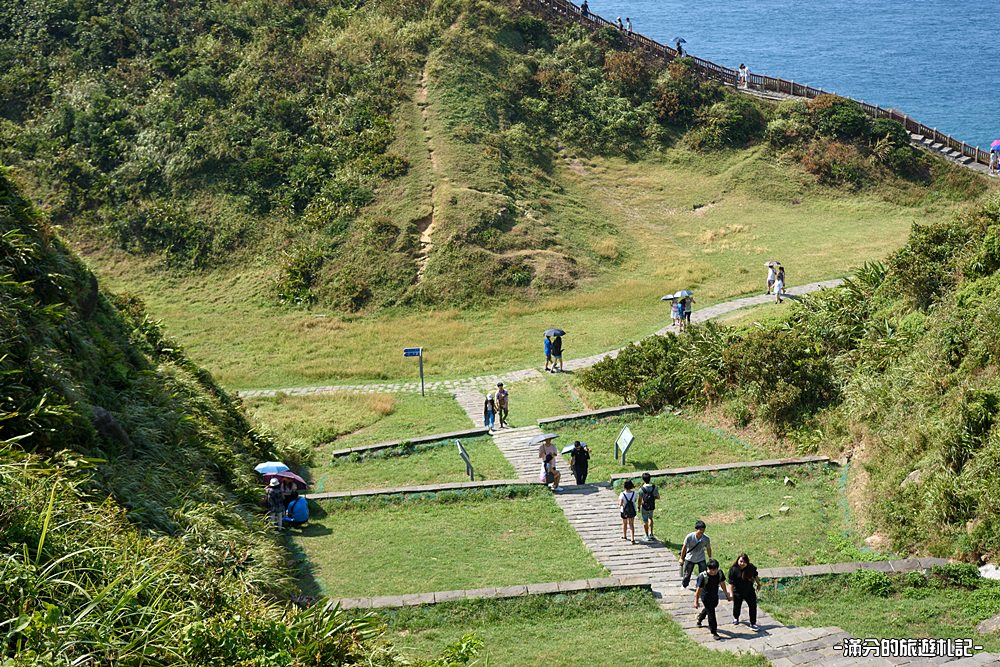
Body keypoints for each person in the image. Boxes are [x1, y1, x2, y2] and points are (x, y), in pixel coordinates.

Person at [695, 559, 730, 640]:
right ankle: (714, 632)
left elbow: (722, 584)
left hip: (714, 595)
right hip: (705, 596)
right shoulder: (703, 577)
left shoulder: (720, 573)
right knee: (711, 613)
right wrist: (696, 601)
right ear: (708, 568)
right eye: (711, 569)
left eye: (715, 569)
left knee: (711, 607)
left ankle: (700, 618)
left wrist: (726, 594)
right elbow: (698, 590)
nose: (713, 571)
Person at [728, 553, 761, 630]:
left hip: (749, 591)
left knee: (753, 606)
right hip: (738, 592)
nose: (742, 564)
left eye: (744, 562)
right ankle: (736, 618)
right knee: (737, 606)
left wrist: (758, 584)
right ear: (738, 561)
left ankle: (753, 623)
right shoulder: (733, 569)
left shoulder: (751, 567)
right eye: (741, 561)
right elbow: (730, 583)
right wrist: (731, 594)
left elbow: (755, 575)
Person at [680, 519, 712, 588]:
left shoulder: (706, 538)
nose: (701, 531)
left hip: (701, 558)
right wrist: (681, 558)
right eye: (700, 529)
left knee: (703, 574)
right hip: (690, 558)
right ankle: (684, 585)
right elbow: (684, 547)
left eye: (703, 530)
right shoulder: (689, 537)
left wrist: (710, 558)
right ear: (696, 529)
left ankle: (701, 586)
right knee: (687, 574)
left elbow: (708, 548)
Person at [638, 472, 660, 541]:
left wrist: (638, 507)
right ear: (650, 479)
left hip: (644, 506)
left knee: (645, 521)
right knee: (650, 518)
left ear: (643, 480)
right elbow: (658, 497)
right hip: (651, 506)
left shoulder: (642, 489)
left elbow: (639, 500)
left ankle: (646, 535)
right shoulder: (654, 487)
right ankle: (651, 533)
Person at [619, 480, 638, 544]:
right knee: (631, 524)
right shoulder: (634, 493)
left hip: (624, 511)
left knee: (624, 523)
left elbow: (620, 503)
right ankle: (632, 538)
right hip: (632, 510)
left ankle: (624, 535)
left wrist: (624, 505)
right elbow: (635, 500)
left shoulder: (622, 494)